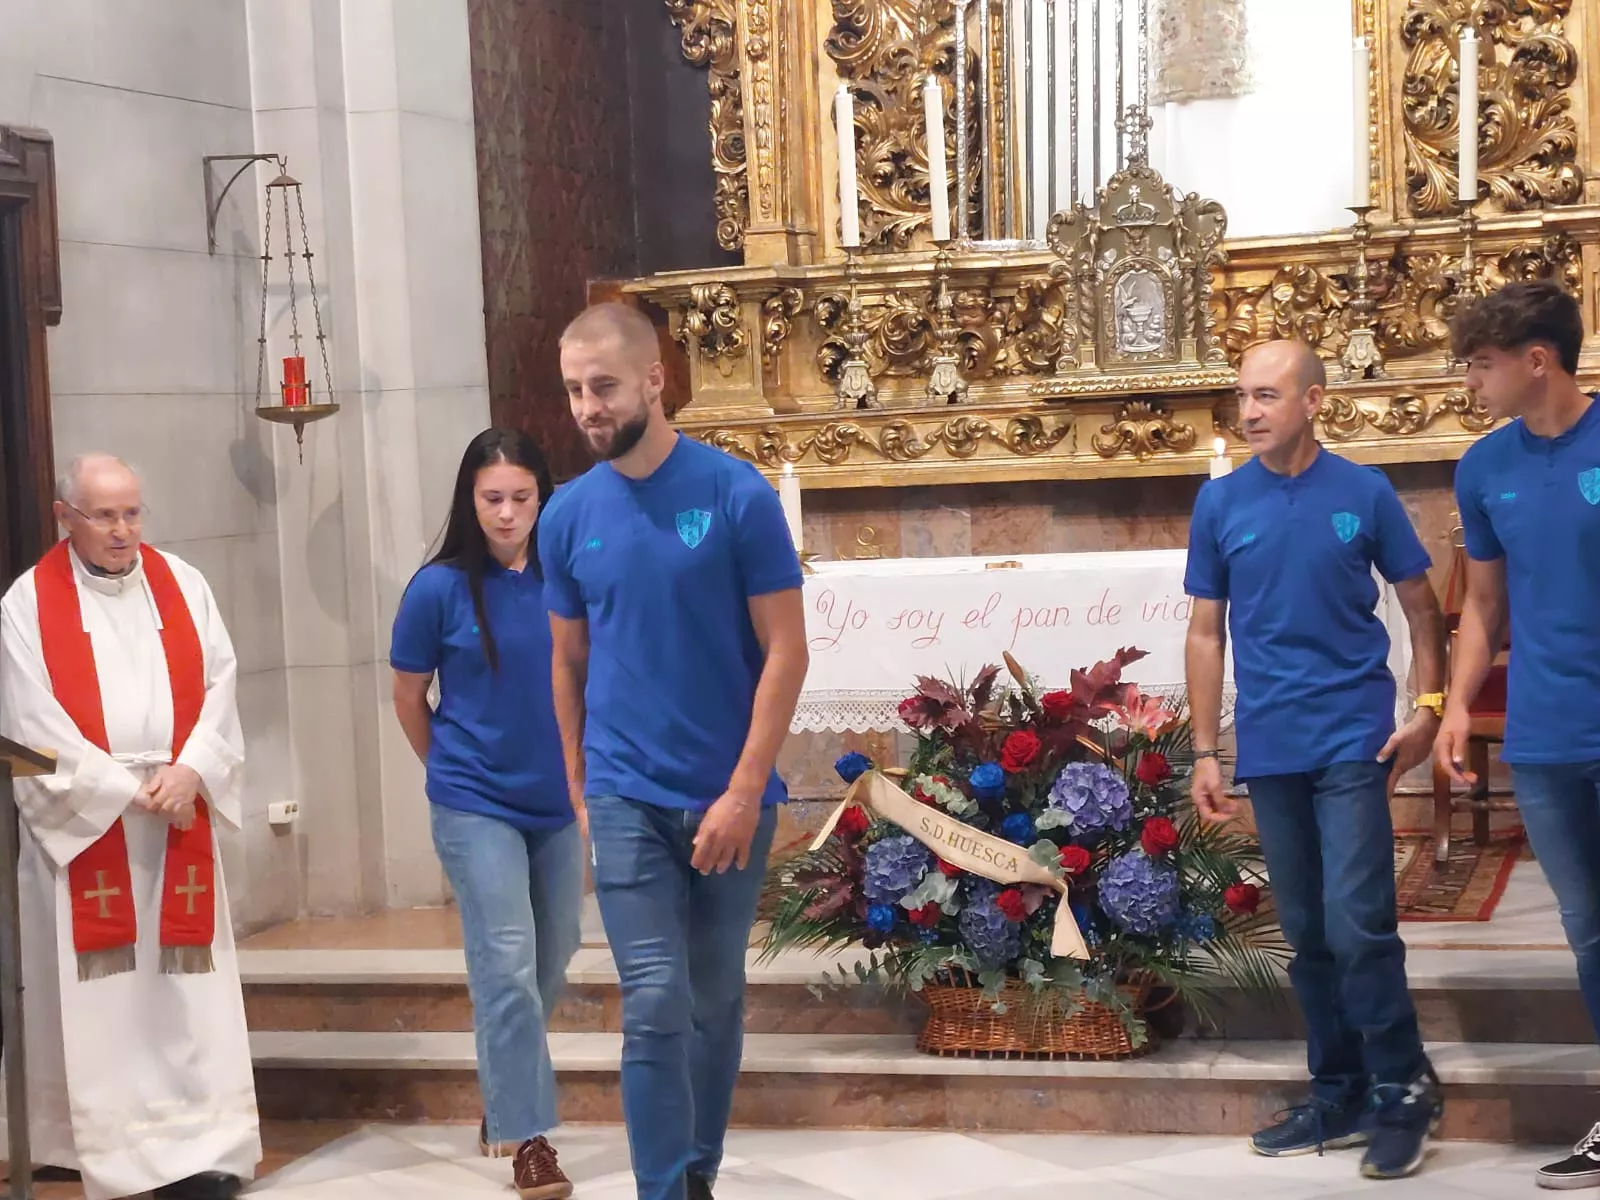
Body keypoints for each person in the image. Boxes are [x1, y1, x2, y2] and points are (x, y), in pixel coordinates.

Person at [539, 302, 809, 1200]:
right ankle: (663, 1190)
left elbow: (786, 650)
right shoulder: (567, 514)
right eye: (574, 390)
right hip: (623, 791)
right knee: (653, 999)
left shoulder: (735, 495)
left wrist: (743, 790)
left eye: (604, 386)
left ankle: (697, 1171)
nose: (587, 407)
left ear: (655, 381)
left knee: (714, 996)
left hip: (728, 793)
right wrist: (581, 785)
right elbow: (567, 660)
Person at [1183, 340, 1448, 1180]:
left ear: (1314, 401)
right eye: (1243, 397)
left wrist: (1429, 706)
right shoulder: (1221, 502)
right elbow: (1205, 632)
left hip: (1352, 733)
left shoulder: (1364, 492)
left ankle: (1403, 1088)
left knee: (1358, 921)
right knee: (1304, 930)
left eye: (1267, 395)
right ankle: (1339, 1089)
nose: (1249, 412)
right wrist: (1205, 749)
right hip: (1271, 741)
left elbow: (1421, 606)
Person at [0, 454, 258, 1200]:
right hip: (90, 827)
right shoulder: (27, 604)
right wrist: (121, 789)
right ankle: (105, 1148)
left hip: (177, 814)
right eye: (106, 516)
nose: (123, 531)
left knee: (187, 998)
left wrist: (192, 770)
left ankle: (206, 1148)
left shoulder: (184, 584)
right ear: (65, 517)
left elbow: (222, 683)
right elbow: (22, 730)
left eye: (133, 513)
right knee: (108, 1007)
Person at [1436, 280, 1600, 1190]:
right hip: (1545, 734)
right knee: (1589, 933)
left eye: (1481, 363)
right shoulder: (1483, 466)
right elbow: (1484, 608)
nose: (1471, 381)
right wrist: (1457, 705)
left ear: (1537, 360)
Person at [390, 428, 583, 1200]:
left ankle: (505, 1094)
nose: (506, 513)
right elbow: (409, 697)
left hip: (557, 800)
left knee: (553, 955)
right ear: (469, 501)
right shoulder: (436, 589)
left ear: (544, 497)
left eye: (520, 497)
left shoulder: (568, 579)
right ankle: (529, 1138)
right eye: (491, 498)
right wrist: (447, 771)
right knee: (505, 960)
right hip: (474, 799)